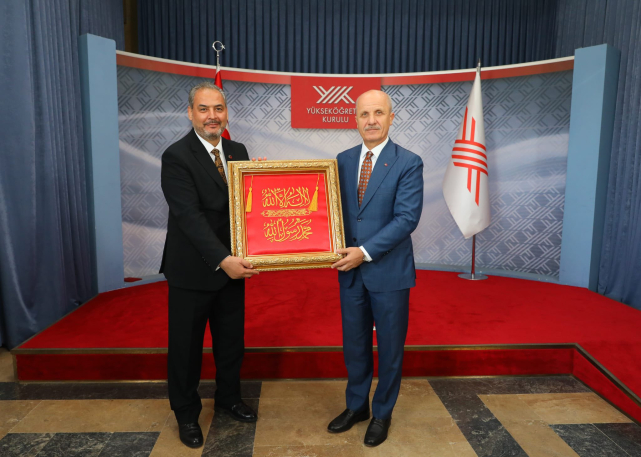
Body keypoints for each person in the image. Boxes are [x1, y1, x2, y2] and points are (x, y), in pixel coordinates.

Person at [160, 81, 264, 448]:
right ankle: (186, 414)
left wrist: (262, 186)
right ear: (190, 113)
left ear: (226, 113)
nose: (212, 116)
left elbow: (244, 207)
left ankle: (229, 399)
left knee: (231, 342)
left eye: (218, 108)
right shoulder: (176, 156)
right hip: (193, 269)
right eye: (203, 109)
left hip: (234, 268)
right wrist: (223, 260)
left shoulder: (238, 151)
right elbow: (189, 218)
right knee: (186, 348)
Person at [328, 90, 424, 446]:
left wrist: (364, 252)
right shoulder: (342, 160)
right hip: (349, 272)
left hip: (389, 272)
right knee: (354, 346)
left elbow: (406, 219)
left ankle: (382, 413)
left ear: (391, 118)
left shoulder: (408, 162)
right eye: (364, 114)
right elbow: (327, 209)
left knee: (390, 348)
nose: (371, 120)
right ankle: (357, 407)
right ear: (355, 119)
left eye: (378, 113)